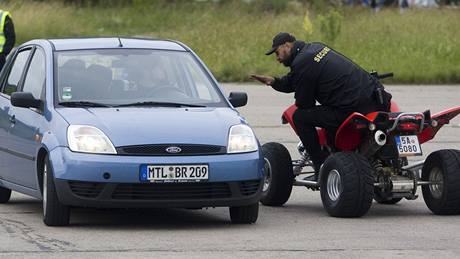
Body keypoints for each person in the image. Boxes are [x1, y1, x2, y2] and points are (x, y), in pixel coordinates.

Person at [251, 32, 391, 179]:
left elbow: (305, 103)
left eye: (277, 52)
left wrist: (301, 92)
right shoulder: (316, 48)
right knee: (326, 112)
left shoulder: (301, 63)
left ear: (287, 45)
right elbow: (297, 79)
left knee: (300, 116)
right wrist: (274, 81)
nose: (277, 58)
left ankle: (321, 165)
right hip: (377, 100)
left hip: (351, 110)